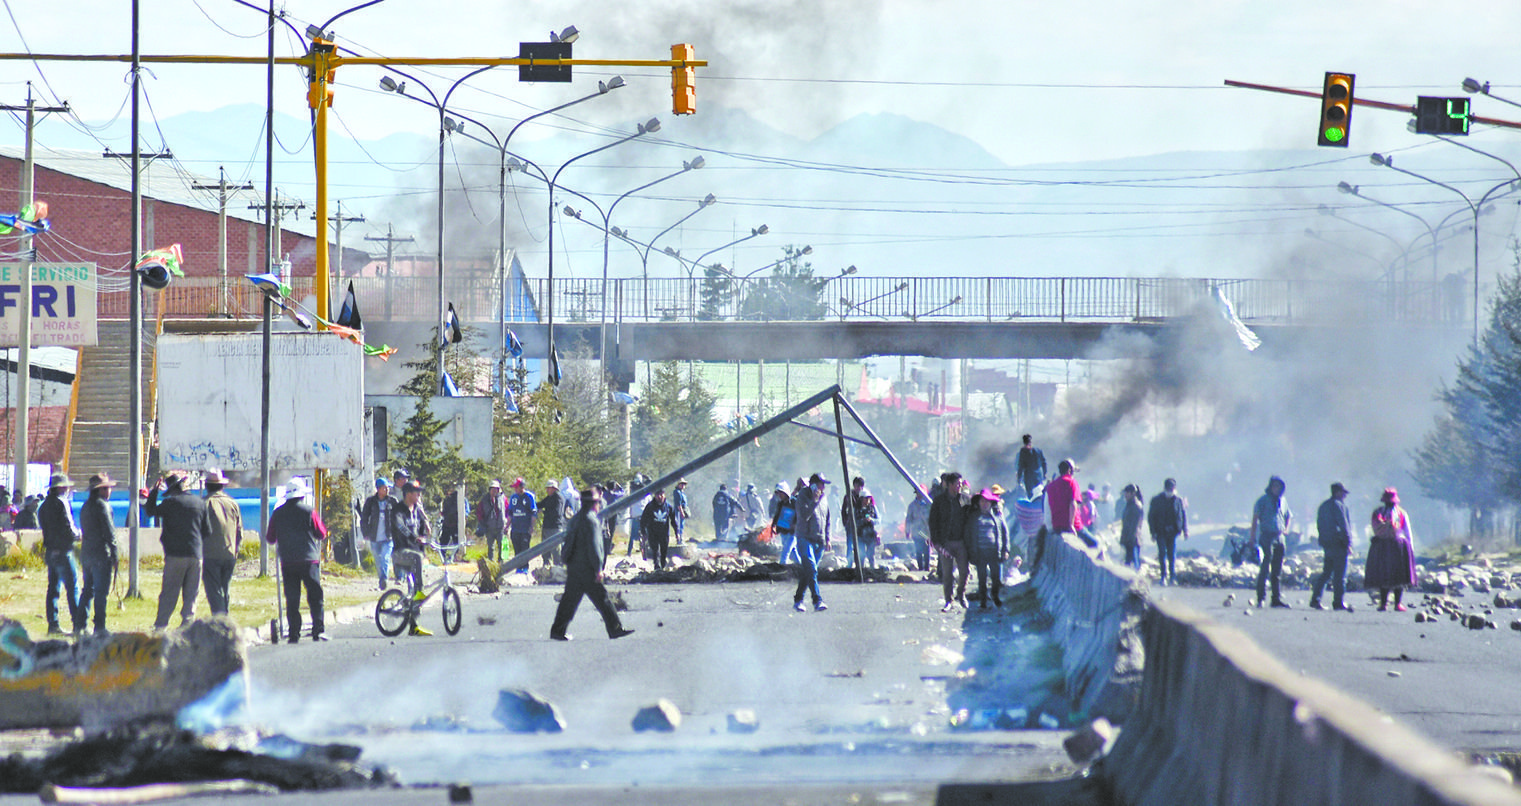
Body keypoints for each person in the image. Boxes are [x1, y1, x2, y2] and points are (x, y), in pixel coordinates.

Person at [550, 487, 634, 641]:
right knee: (602, 599)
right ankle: (615, 629)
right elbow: (594, 547)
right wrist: (598, 569)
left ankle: (557, 631)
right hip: (587, 568)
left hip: (574, 566)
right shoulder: (592, 521)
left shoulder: (575, 519)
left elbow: (568, 542)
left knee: (569, 601)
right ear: (594, 504)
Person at [265, 478, 329, 642]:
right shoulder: (309, 511)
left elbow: (270, 538)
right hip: (309, 561)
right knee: (315, 596)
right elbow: (321, 533)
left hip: (288, 561)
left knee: (292, 598)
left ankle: (294, 633)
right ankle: (318, 629)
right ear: (301, 496)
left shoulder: (278, 513)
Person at [146, 473, 211, 630]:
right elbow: (207, 531)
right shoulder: (200, 503)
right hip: (196, 554)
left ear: (172, 490)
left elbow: (150, 511)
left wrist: (154, 492)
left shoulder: (170, 503)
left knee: (169, 591)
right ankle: (187, 624)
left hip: (175, 554)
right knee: (191, 594)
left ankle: (161, 625)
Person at [39, 473, 84, 635]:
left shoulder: (43, 506)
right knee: (73, 588)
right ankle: (78, 625)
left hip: (50, 551)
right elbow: (69, 526)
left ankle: (53, 624)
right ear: (61, 488)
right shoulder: (62, 503)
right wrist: (79, 535)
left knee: (53, 588)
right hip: (64, 550)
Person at [388, 481, 433, 636]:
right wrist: (415, 538)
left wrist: (426, 537)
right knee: (416, 560)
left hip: (414, 555)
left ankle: (414, 626)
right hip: (400, 553)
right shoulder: (397, 510)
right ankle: (419, 592)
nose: (419, 495)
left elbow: (422, 533)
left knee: (412, 591)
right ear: (408, 494)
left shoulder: (417, 511)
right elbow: (400, 527)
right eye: (416, 493)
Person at [1366, 487, 1418, 612]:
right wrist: (1411, 548)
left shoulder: (1377, 512)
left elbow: (1372, 529)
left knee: (1384, 574)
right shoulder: (1401, 513)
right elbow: (1407, 532)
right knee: (1398, 575)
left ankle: (1384, 604)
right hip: (1398, 545)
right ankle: (1397, 604)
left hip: (1382, 546)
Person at [78, 473, 117, 636]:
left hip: (87, 552)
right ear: (100, 490)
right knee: (101, 592)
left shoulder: (85, 506)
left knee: (88, 590)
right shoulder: (103, 506)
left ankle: (79, 625)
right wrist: (115, 553)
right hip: (101, 554)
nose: (109, 491)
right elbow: (109, 533)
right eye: (107, 488)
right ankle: (100, 626)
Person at [201, 469, 242, 616]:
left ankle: (220, 621)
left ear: (207, 486)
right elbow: (239, 531)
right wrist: (236, 550)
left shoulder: (205, 504)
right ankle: (225, 616)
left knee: (214, 590)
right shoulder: (232, 503)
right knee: (225, 589)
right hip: (230, 553)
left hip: (211, 554)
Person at [930, 472, 972, 612]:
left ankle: (961, 593)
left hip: (961, 542)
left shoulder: (966, 499)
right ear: (949, 485)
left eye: (960, 483)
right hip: (946, 542)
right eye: (956, 484)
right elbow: (933, 522)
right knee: (947, 574)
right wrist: (936, 542)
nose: (959, 486)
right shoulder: (939, 501)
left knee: (964, 572)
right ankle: (949, 600)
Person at [1310, 482, 1355, 612]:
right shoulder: (1340, 506)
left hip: (1327, 544)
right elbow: (1344, 525)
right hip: (1339, 544)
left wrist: (1323, 541)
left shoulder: (1323, 506)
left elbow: (1319, 525)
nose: (1344, 495)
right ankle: (1338, 602)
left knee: (1326, 573)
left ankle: (1315, 599)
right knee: (1340, 575)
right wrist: (1348, 543)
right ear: (1338, 492)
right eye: (1343, 493)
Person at [1251, 475, 1293, 608]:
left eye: (1279, 486)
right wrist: (1252, 538)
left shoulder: (1283, 501)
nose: (1277, 489)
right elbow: (1255, 519)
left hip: (1279, 537)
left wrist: (1286, 529)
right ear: (1270, 487)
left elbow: (1288, 516)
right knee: (1265, 568)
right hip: (1266, 536)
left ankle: (1276, 599)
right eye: (1275, 486)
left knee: (1277, 570)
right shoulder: (1262, 501)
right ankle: (1261, 598)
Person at [964, 488, 1010, 608]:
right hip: (980, 553)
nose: (984, 504)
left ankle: (995, 596)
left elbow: (1005, 533)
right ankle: (983, 600)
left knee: (995, 578)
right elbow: (968, 535)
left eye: (986, 502)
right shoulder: (973, 517)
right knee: (982, 578)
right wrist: (969, 551)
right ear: (978, 503)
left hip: (994, 552)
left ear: (991, 503)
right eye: (982, 501)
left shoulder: (998, 516)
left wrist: (1006, 550)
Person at [791, 473, 831, 612]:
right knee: (812, 569)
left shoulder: (824, 498)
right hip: (804, 537)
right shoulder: (803, 496)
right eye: (821, 484)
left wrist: (827, 538)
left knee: (809, 571)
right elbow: (804, 515)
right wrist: (814, 500)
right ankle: (817, 600)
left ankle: (798, 600)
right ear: (813, 484)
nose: (823, 487)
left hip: (819, 540)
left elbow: (827, 520)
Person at [1147, 478, 1188, 585]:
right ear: (1164, 488)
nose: (1170, 491)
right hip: (1160, 531)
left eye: (1172, 489)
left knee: (1172, 555)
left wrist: (1185, 530)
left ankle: (1172, 577)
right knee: (1162, 554)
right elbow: (1151, 517)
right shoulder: (1156, 500)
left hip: (1173, 532)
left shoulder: (1178, 500)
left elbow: (1182, 516)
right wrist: (1152, 532)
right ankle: (1163, 576)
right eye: (1168, 489)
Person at [1048, 459, 1097, 548]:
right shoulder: (1071, 482)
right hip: (1073, 525)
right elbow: (1073, 504)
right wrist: (1071, 525)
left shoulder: (1051, 486)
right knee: (1094, 544)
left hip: (1056, 526)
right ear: (1069, 470)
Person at [360, 478, 396, 589]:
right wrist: (365, 532)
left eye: (388, 488)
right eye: (385, 488)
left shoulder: (392, 501)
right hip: (374, 537)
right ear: (379, 489)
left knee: (385, 558)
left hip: (388, 537)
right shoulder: (370, 502)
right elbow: (364, 518)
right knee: (378, 560)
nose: (387, 490)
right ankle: (381, 578)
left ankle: (384, 579)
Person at [841, 476, 881, 569]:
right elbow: (844, 511)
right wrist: (846, 523)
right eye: (856, 486)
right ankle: (851, 565)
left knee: (870, 553)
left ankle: (870, 569)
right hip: (853, 528)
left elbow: (877, 517)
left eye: (860, 486)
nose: (858, 488)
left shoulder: (871, 504)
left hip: (869, 533)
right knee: (852, 547)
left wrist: (871, 521)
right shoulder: (849, 496)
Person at [640, 488, 677, 569]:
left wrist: (676, 532)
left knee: (664, 550)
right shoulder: (650, 506)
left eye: (662, 494)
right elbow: (643, 519)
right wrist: (643, 531)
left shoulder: (668, 506)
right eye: (658, 495)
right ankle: (656, 565)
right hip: (653, 532)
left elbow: (673, 520)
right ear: (655, 495)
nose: (660, 497)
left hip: (664, 532)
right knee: (655, 550)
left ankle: (663, 565)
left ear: (664, 495)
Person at [540, 479, 569, 568]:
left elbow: (557, 513)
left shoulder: (559, 498)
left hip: (555, 527)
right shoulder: (548, 498)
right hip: (546, 526)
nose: (547, 490)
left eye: (549, 488)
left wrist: (544, 512)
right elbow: (540, 504)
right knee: (544, 549)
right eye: (547, 488)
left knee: (556, 549)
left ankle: (558, 567)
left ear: (554, 488)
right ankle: (547, 566)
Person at [476, 480, 507, 563]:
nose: (494, 491)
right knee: (491, 547)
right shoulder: (484, 500)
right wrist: (482, 523)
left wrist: (507, 523)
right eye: (492, 489)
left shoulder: (503, 499)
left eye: (496, 489)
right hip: (489, 527)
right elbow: (479, 512)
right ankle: (491, 562)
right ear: (489, 489)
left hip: (500, 527)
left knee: (502, 546)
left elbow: (508, 510)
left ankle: (501, 562)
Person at [507, 478, 538, 560]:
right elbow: (510, 513)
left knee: (524, 550)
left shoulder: (529, 496)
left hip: (525, 529)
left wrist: (531, 527)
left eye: (516, 487)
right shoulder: (513, 497)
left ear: (522, 487)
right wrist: (507, 526)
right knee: (516, 550)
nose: (515, 489)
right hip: (515, 529)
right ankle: (518, 567)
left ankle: (524, 568)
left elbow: (534, 513)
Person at [769, 482, 799, 564]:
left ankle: (781, 568)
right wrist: (773, 525)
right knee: (792, 553)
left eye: (781, 493)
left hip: (792, 532)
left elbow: (800, 514)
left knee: (785, 552)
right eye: (778, 493)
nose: (779, 495)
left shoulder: (795, 503)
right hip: (783, 530)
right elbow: (777, 515)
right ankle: (801, 566)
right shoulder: (780, 503)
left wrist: (795, 524)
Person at [1119, 484, 1145, 571]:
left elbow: (1135, 525)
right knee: (1128, 562)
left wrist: (1130, 538)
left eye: (1127, 493)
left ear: (1133, 493)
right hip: (1129, 538)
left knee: (1134, 562)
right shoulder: (1130, 504)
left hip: (1133, 539)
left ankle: (1135, 581)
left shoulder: (1135, 506)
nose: (1125, 495)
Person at [905, 486, 931, 572]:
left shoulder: (928, 505)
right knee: (919, 551)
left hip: (926, 532)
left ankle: (927, 568)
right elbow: (908, 519)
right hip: (917, 532)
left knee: (927, 551)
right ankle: (920, 568)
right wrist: (907, 531)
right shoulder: (912, 506)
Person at [672, 478, 690, 544]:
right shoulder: (677, 492)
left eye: (684, 484)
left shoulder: (682, 493)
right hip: (679, 511)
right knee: (679, 526)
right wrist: (682, 512)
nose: (683, 485)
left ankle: (681, 539)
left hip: (683, 510)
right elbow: (678, 504)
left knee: (681, 525)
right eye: (681, 484)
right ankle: (679, 540)